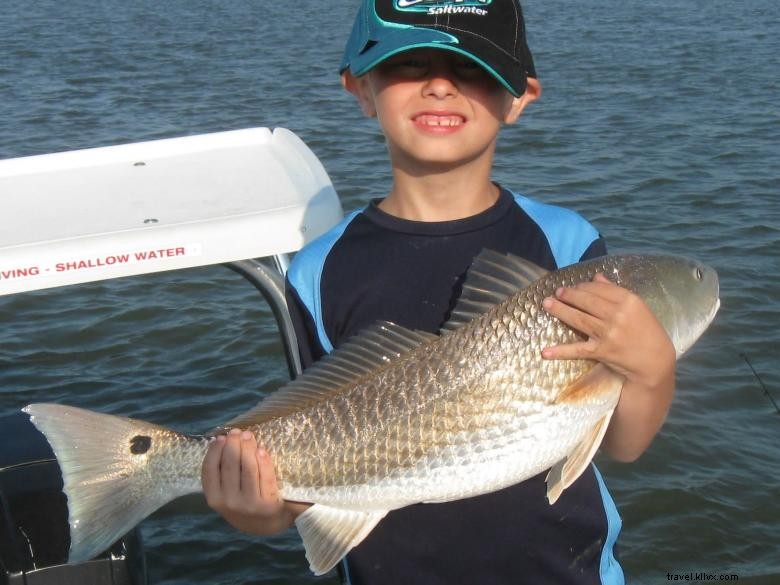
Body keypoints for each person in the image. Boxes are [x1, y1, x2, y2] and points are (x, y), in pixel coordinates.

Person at [201, 1, 676, 583]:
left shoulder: (567, 243)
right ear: (360, 88)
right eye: (409, 64)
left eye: (474, 68)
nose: (440, 86)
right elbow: (312, 439)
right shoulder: (318, 269)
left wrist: (653, 371)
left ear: (521, 95)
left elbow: (621, 442)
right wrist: (262, 509)